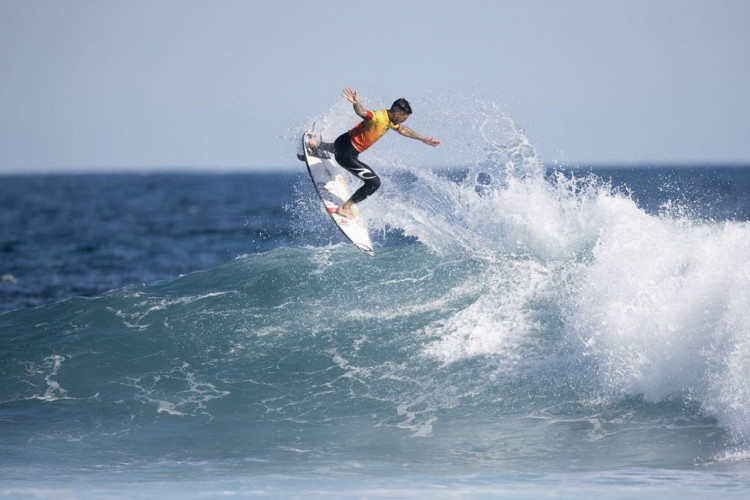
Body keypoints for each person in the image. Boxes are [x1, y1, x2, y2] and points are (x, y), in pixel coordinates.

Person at [308, 87, 440, 219]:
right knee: (374, 183)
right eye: (403, 118)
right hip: (346, 154)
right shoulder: (378, 117)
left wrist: (423, 139)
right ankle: (345, 208)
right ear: (397, 114)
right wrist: (356, 103)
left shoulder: (390, 121)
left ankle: (317, 145)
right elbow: (363, 113)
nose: (403, 121)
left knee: (342, 149)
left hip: (341, 143)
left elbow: (404, 130)